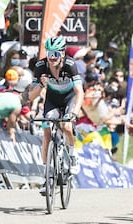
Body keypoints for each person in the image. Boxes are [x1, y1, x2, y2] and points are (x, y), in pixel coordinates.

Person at [28, 36, 84, 194]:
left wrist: (74, 113)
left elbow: (79, 92)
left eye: (56, 54)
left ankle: (72, 155)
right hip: (52, 100)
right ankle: (47, 177)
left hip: (69, 99)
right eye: (49, 53)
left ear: (63, 53)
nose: (52, 57)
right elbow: (31, 97)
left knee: (66, 126)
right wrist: (41, 84)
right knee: (46, 134)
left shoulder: (70, 65)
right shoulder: (41, 66)